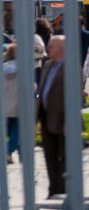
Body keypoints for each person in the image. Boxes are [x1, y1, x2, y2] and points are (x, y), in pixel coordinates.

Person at [38, 35, 68, 197]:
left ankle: (63, 190)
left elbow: (73, 95)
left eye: (52, 46)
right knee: (49, 155)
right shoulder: (47, 65)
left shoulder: (70, 67)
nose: (48, 49)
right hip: (46, 117)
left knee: (63, 157)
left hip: (63, 120)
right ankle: (53, 189)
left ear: (62, 49)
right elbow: (42, 91)